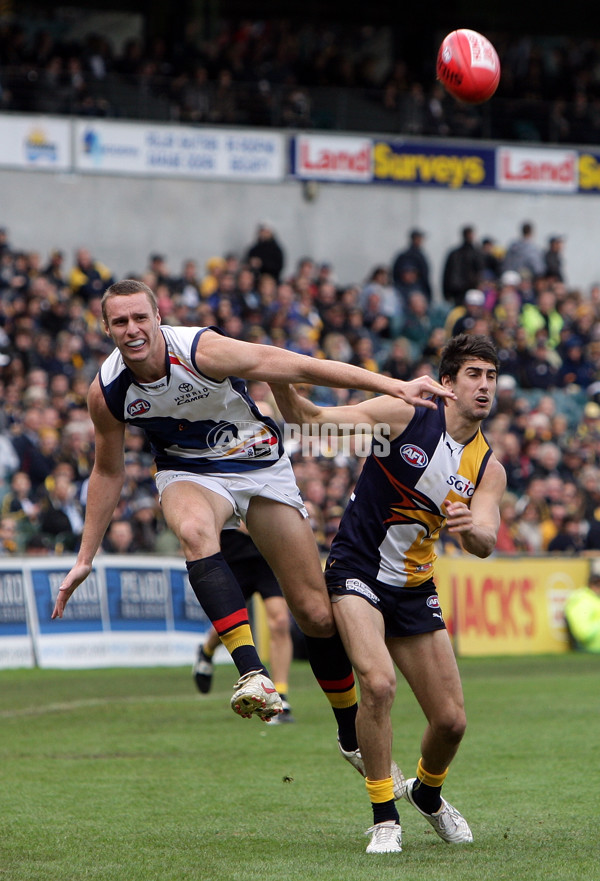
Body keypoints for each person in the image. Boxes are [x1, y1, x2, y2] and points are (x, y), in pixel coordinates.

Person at [51, 278, 454, 728]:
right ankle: (252, 673)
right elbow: (107, 470)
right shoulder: (106, 393)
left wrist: (394, 385)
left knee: (317, 616)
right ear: (105, 328)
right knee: (193, 531)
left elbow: (301, 366)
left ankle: (347, 729)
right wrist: (85, 557)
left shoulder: (203, 350)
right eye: (120, 321)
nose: (132, 329)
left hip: (258, 462)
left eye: (140, 317)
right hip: (189, 472)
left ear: (158, 319)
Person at [271, 334, 506, 854]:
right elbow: (312, 420)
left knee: (451, 721)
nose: (484, 386)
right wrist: (279, 375)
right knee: (377, 685)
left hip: (414, 587)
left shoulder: (489, 467)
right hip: (356, 569)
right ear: (448, 383)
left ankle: (427, 792)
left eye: (491, 376)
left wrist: (470, 528)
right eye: (473, 374)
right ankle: (384, 816)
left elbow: (485, 540)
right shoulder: (404, 415)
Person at [193, 525, 296, 723]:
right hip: (235, 557)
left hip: (266, 556)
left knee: (281, 621)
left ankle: (281, 694)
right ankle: (206, 651)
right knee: (229, 623)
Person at [564, 559, 600, 652]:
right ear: (593, 585)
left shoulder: (594, 599)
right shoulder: (582, 601)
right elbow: (583, 633)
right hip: (592, 649)